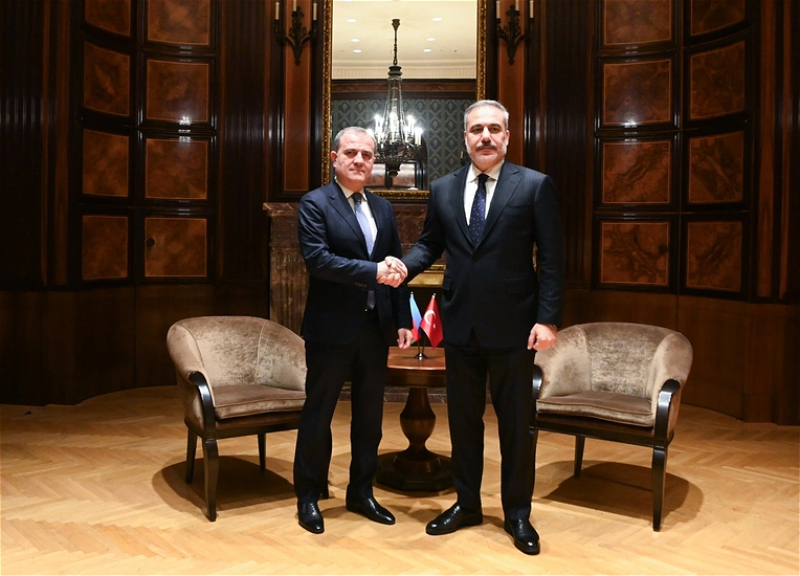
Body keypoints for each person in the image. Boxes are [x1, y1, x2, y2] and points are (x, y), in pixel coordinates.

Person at [381, 100, 564, 555]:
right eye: (477, 129)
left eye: (494, 129)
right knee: (464, 422)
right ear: (465, 137)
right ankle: (467, 505)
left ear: (507, 136)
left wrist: (547, 318)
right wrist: (403, 268)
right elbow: (429, 245)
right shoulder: (444, 188)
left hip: (515, 327)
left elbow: (553, 258)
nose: (485, 136)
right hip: (459, 324)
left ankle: (517, 513)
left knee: (516, 424)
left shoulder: (534, 186)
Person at [293, 126, 413, 534]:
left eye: (367, 154)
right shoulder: (315, 203)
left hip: (374, 329)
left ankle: (361, 492)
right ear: (334, 158)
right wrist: (373, 271)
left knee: (369, 418)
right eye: (351, 153)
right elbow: (319, 261)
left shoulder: (383, 208)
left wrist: (403, 320)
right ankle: (309, 495)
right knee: (318, 413)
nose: (360, 160)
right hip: (330, 328)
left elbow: (395, 265)